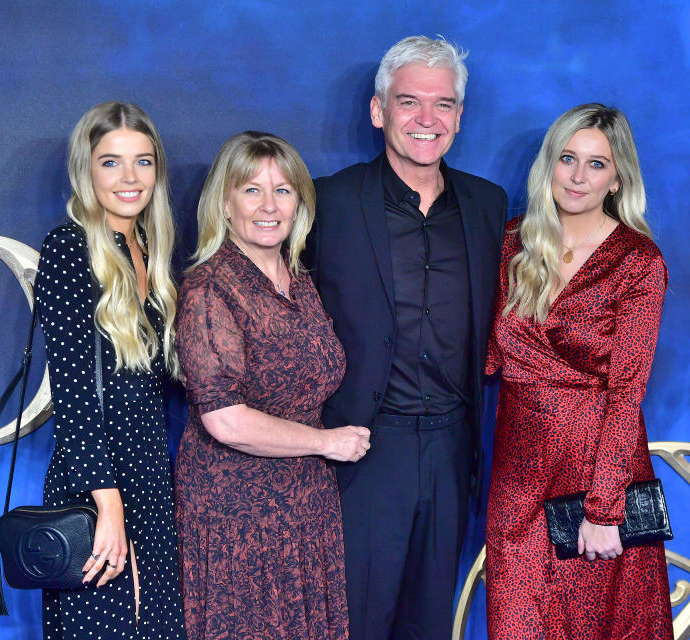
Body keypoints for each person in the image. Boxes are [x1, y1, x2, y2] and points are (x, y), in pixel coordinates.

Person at [303, 36, 508, 640]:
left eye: (442, 105)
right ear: (378, 111)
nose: (426, 120)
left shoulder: (488, 206)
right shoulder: (328, 202)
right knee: (355, 622)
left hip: (452, 448)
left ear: (459, 117)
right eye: (409, 102)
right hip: (364, 449)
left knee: (429, 624)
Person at [484, 103, 673, 639]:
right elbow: (484, 354)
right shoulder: (513, 243)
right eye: (568, 158)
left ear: (617, 179)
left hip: (595, 471)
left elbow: (628, 390)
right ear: (551, 163)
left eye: (596, 164)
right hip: (518, 474)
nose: (577, 176)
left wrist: (605, 506)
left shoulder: (639, 261)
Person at [173, 131, 369, 639]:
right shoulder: (209, 287)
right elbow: (225, 420)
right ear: (224, 201)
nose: (268, 206)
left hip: (305, 507)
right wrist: (327, 442)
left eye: (282, 190)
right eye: (251, 190)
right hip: (238, 513)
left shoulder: (298, 278)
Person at [34, 101, 186, 639]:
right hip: (96, 483)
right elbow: (74, 398)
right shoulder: (68, 249)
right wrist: (108, 507)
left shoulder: (148, 248)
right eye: (111, 162)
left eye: (143, 162)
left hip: (149, 474)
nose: (129, 178)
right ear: (85, 168)